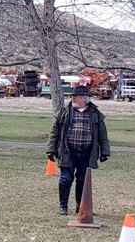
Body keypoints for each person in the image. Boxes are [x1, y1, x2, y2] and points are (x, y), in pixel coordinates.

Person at [47, 85, 111, 215]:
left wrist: (105, 151)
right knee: (65, 179)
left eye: (77, 96)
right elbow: (54, 133)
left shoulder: (95, 114)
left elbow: (102, 135)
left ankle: (80, 206)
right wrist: (50, 150)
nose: (73, 98)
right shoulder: (64, 113)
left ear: (85, 99)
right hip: (67, 152)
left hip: (87, 153)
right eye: (73, 96)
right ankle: (63, 206)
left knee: (82, 180)